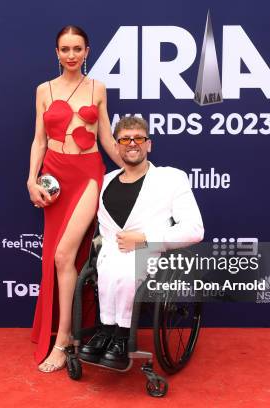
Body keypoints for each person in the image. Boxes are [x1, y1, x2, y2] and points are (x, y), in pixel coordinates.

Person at [27, 25, 124, 372]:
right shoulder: (44, 90)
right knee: (58, 258)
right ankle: (65, 330)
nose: (71, 55)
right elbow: (39, 140)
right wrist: (30, 180)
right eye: (65, 49)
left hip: (87, 175)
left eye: (77, 49)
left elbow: (107, 139)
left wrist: (136, 163)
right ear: (57, 52)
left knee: (64, 255)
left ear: (87, 51)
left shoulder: (98, 88)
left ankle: (63, 338)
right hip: (54, 175)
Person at [78, 116, 204, 369]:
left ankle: (122, 336)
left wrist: (145, 239)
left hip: (151, 252)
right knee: (110, 268)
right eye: (124, 139)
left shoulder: (171, 178)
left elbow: (194, 229)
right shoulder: (105, 182)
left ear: (149, 144)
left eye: (138, 138)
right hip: (111, 253)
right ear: (116, 146)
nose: (132, 143)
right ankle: (106, 331)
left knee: (126, 271)